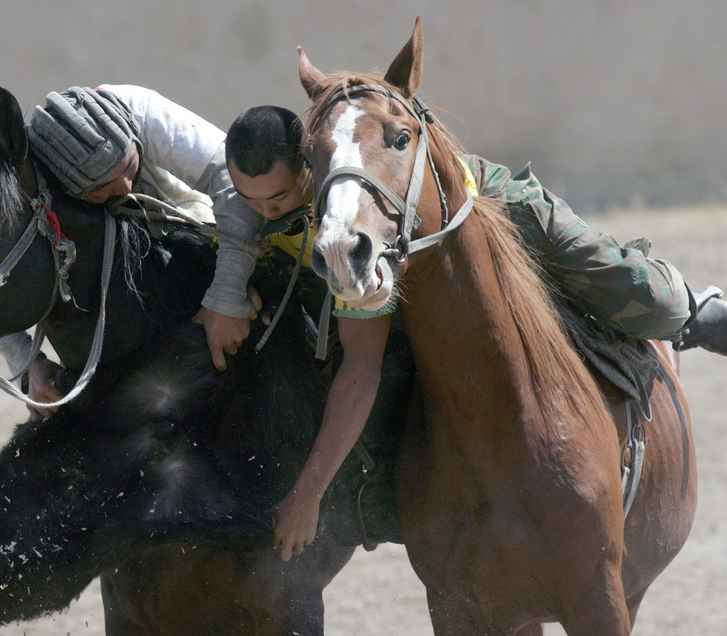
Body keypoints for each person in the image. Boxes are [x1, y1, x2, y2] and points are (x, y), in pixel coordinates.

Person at [215, 105, 727, 562]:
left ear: (308, 169)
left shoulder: (345, 213)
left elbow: (362, 366)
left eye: (277, 197)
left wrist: (308, 495)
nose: (263, 212)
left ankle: (693, 309)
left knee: (623, 283)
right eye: (248, 199)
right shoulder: (268, 207)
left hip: (489, 201)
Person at [0, 84, 265, 416]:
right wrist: (28, 362)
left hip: (203, 236)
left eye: (129, 165)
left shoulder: (141, 111)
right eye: (102, 187)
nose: (125, 187)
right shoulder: (38, 174)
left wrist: (227, 294)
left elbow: (235, 184)